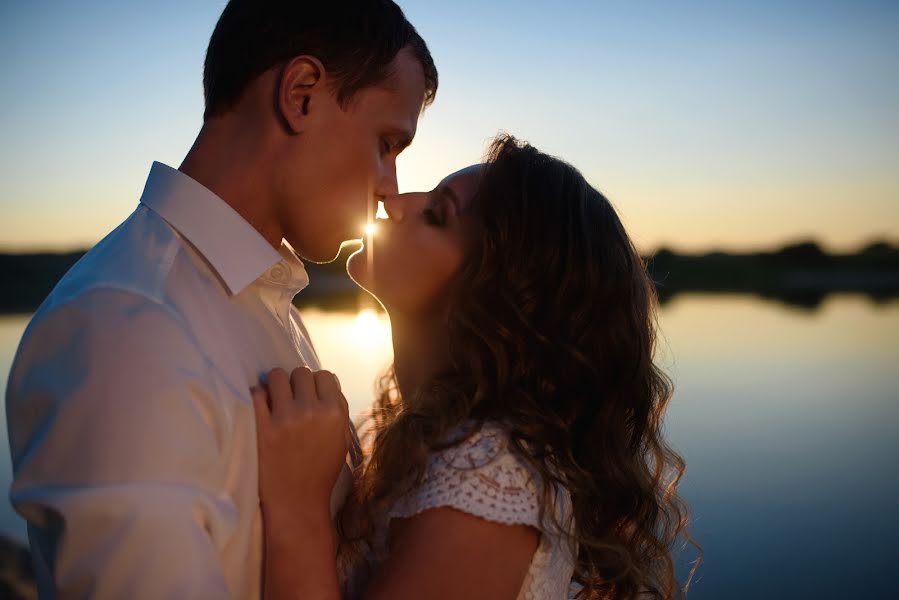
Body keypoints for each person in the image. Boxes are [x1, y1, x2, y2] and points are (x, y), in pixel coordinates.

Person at [5, 1, 437, 597]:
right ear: (302, 94)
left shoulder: (264, 304)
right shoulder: (125, 330)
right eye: (386, 143)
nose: (390, 188)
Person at [253, 135, 702, 599]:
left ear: (491, 295)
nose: (397, 202)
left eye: (436, 215)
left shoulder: (487, 474)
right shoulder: (445, 443)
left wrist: (299, 510)